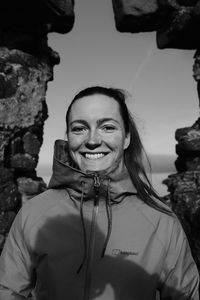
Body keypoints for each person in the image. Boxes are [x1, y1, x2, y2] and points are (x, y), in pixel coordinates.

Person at [0, 86, 199, 300]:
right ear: (68, 137)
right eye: (79, 128)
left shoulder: (161, 221)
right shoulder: (34, 214)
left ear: (127, 138)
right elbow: (8, 291)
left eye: (107, 127)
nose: (93, 140)